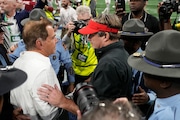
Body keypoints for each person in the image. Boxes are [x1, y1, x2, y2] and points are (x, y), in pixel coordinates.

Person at [10, 19, 78, 119]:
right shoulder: (43, 70)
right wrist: (66, 102)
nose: (56, 41)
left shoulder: (18, 62)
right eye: (53, 38)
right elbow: (48, 114)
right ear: (39, 43)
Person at [127, 29, 180, 120]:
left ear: (164, 82)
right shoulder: (167, 100)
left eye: (147, 71)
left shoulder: (167, 115)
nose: (143, 73)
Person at [78, 13, 132, 100]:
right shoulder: (120, 53)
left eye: (91, 34)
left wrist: (63, 102)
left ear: (105, 36)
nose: (88, 38)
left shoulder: (108, 64)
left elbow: (99, 108)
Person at [120, 18, 156, 117]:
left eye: (126, 39)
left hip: (142, 113)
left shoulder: (149, 62)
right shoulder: (118, 58)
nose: (122, 41)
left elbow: (159, 92)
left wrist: (148, 98)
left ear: (137, 43)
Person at [63, 5, 98, 86]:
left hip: (92, 70)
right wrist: (68, 32)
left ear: (91, 18)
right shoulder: (75, 29)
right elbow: (64, 45)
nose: (84, 24)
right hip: (76, 70)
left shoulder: (96, 30)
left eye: (86, 20)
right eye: (81, 21)